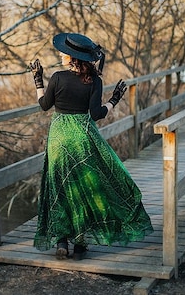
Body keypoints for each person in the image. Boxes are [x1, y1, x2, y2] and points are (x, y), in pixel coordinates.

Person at [29, 33, 153, 261]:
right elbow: (97, 114)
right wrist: (114, 99)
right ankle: (80, 244)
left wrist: (38, 80)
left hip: (59, 138)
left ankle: (61, 242)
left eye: (63, 53)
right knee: (85, 187)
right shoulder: (94, 80)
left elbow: (44, 105)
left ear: (71, 58)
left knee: (60, 187)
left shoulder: (56, 77)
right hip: (82, 137)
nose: (60, 55)